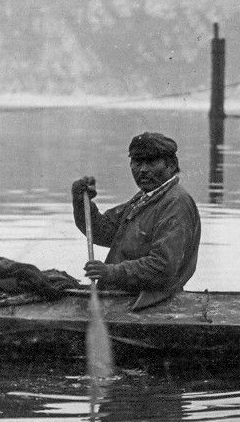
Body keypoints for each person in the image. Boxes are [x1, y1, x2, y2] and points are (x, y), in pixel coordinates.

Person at [71, 132, 201, 311]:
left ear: (171, 166)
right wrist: (80, 202)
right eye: (137, 162)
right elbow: (103, 231)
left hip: (149, 301)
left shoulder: (176, 203)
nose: (143, 170)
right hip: (125, 296)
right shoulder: (145, 197)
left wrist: (110, 272)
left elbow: (163, 267)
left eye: (151, 162)